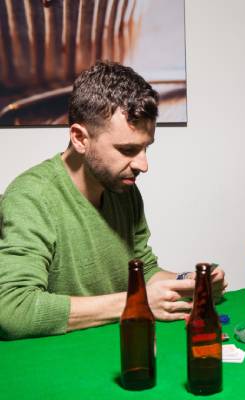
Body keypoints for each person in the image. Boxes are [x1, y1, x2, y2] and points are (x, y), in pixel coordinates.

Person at [0, 61, 226, 340]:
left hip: (119, 345)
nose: (143, 165)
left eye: (145, 148)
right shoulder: (31, 197)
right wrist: (136, 303)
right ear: (80, 138)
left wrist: (189, 283)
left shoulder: (123, 188)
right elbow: (12, 309)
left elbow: (143, 270)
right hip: (57, 362)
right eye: (127, 149)